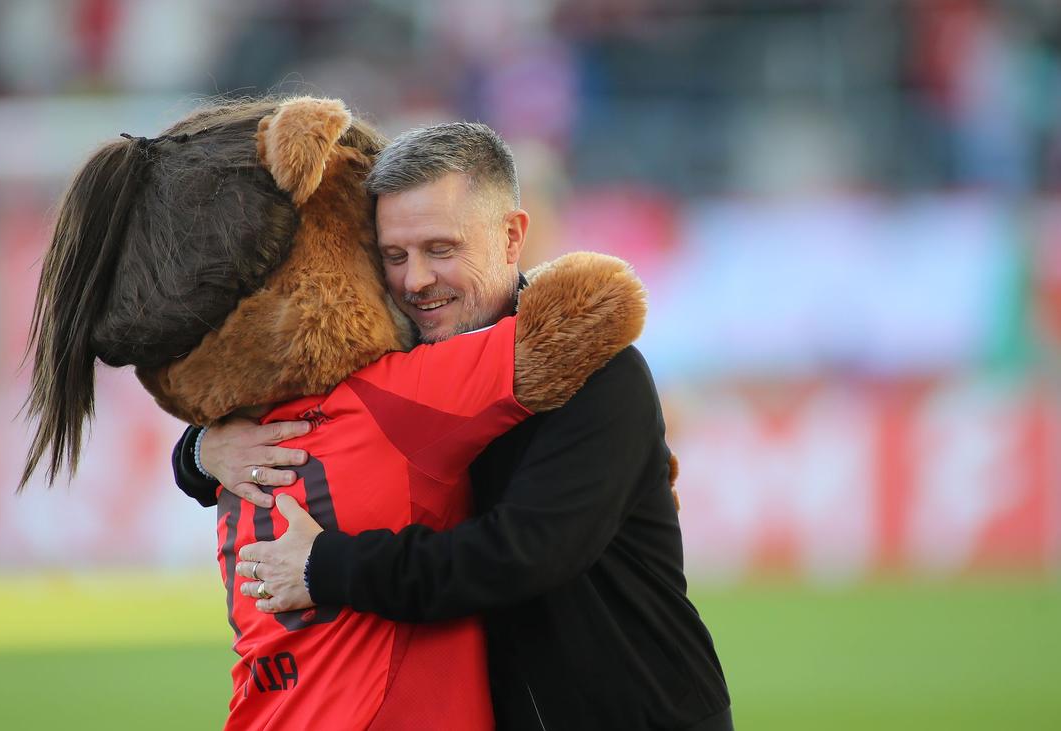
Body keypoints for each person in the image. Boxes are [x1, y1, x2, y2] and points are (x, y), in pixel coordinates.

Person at [175, 122, 733, 730]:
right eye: (395, 256)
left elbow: (521, 555)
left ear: (511, 236)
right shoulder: (394, 361)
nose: (415, 281)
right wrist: (203, 450)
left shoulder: (593, 368)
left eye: (440, 249)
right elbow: (286, 403)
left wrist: (326, 567)